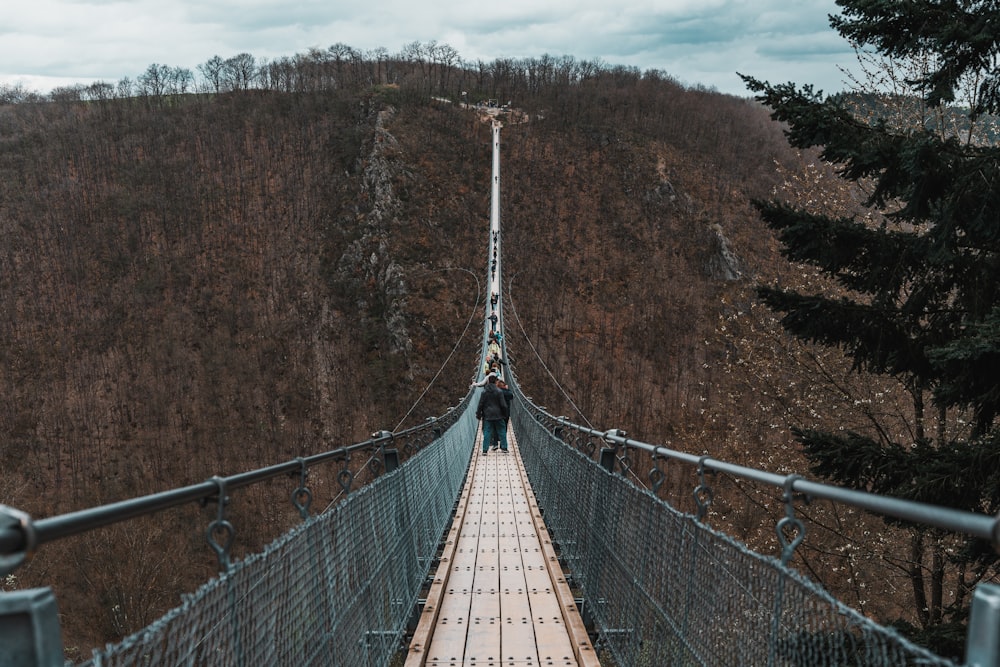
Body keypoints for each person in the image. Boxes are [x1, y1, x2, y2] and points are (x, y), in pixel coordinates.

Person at [476, 374, 509, 454]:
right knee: (502, 431)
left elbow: (480, 404)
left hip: (488, 415)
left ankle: (485, 450)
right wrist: (505, 414)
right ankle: (504, 448)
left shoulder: (484, 392)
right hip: (499, 415)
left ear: (488, 382)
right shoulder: (499, 391)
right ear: (495, 381)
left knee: (487, 432)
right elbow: (503, 405)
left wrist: (478, 414)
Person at [494, 379, 514, 451]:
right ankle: (503, 446)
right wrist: (507, 389)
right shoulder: (507, 392)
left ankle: (495, 444)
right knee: (504, 429)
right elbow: (512, 396)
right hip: (505, 413)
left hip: (497, 413)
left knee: (496, 428)